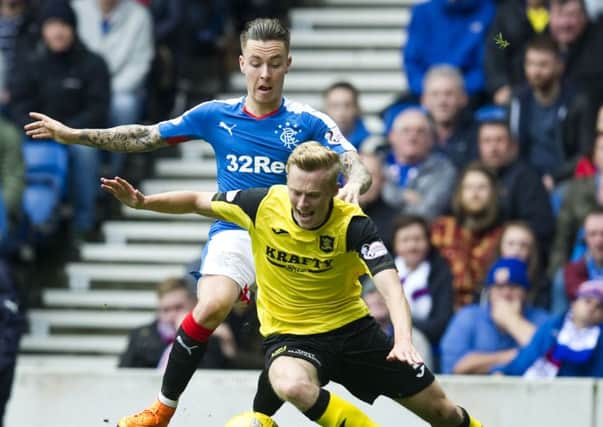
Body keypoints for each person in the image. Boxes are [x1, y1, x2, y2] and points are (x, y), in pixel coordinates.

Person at [25, 18, 371, 427]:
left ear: (288, 64)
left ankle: (265, 415)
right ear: (241, 63)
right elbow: (145, 136)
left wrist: (356, 185)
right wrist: (74, 134)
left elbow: (353, 161)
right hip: (236, 229)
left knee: (295, 338)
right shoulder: (215, 115)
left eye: (275, 63)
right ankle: (161, 409)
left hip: (292, 240)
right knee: (211, 305)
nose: (265, 74)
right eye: (257, 63)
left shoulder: (307, 120)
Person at [103, 141, 484, 427]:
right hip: (291, 339)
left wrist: (402, 339)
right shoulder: (263, 204)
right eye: (296, 192)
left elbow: (390, 285)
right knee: (287, 383)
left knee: (445, 415)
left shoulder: (353, 224)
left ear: (334, 191)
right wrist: (144, 202)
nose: (301, 203)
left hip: (354, 332)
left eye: (313, 196)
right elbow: (197, 200)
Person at [9, 0, 110, 243]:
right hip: (35, 136)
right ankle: (20, 226)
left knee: (84, 155)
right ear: (43, 29)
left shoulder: (93, 63)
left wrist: (69, 132)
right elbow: (19, 106)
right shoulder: (30, 63)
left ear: (73, 28)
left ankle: (83, 224)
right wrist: (42, 131)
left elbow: (99, 109)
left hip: (78, 136)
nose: (58, 31)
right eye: (52, 24)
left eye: (63, 24)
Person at [509, 34, 593, 189]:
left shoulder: (577, 102)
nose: (535, 71)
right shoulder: (518, 101)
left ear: (559, 66)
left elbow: (585, 153)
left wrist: (554, 177)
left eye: (543, 65)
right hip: (525, 178)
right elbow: (513, 150)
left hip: (565, 180)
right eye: (530, 64)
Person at [440, 257, 550, 374]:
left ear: (525, 293)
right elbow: (455, 367)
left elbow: (551, 357)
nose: (506, 293)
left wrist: (512, 321)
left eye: (513, 287)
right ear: (489, 292)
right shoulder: (468, 317)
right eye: (499, 287)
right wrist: (515, 356)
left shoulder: (542, 319)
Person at [431, 162, 503, 309]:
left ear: (493, 193)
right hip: (439, 307)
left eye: (482, 187)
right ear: (460, 193)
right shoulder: (442, 228)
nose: (475, 193)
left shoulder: (503, 235)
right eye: (468, 187)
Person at [497, 279, 603, 378]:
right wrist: (506, 372)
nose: (592, 308)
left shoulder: (600, 339)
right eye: (587, 301)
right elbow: (530, 354)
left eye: (599, 306)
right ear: (574, 303)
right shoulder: (554, 326)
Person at [119, 277, 228, 370]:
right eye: (165, 310)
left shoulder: (210, 336)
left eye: (178, 308)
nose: (172, 316)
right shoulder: (140, 337)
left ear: (194, 304)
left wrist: (189, 333)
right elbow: (124, 375)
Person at [391, 214, 454, 370]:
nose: (412, 246)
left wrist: (403, 327)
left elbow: (441, 323)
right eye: (405, 240)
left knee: (413, 340)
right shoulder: (383, 272)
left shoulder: (440, 272)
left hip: (423, 339)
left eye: (418, 239)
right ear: (395, 245)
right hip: (383, 334)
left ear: (428, 242)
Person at [381, 108, 457, 221]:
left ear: (431, 138)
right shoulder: (377, 165)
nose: (412, 137)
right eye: (406, 131)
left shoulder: (444, 170)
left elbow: (429, 211)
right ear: (392, 136)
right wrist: (403, 196)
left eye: (420, 131)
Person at [420, 65, 478, 170]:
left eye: (449, 94)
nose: (442, 101)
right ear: (424, 100)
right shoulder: (413, 134)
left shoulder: (479, 135)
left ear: (463, 98)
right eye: (435, 94)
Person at [323, 81, 374, 151]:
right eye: (335, 106)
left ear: (357, 109)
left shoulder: (372, 146)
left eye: (348, 105)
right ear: (326, 109)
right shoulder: (313, 145)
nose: (341, 113)